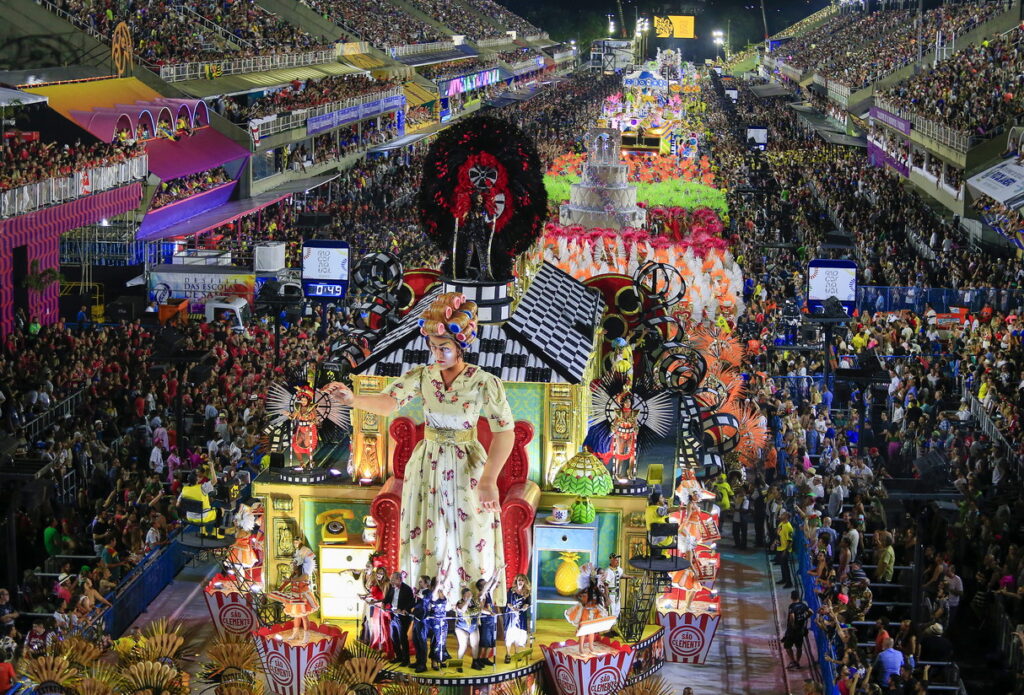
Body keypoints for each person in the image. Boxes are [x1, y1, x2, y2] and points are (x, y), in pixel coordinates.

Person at [325, 293, 514, 609]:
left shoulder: (484, 382)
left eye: (445, 348)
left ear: (461, 346)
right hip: (427, 464)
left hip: (468, 466)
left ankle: (474, 610)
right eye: (433, 348)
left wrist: (489, 479)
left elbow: (504, 432)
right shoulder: (423, 376)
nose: (437, 354)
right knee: (426, 538)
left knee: (471, 538)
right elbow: (390, 402)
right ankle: (427, 606)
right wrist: (352, 399)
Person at [279, 536, 319, 641]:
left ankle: (306, 636)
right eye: (292, 564)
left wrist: (291, 581)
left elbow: (298, 580)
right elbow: (288, 581)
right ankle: (295, 634)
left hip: (303, 598)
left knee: (304, 617)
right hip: (295, 596)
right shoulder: (294, 574)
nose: (292, 565)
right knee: (295, 616)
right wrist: (280, 589)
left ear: (299, 565)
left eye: (294, 564)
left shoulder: (304, 575)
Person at [384, 572, 415, 667]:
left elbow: (411, 602)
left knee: (403, 638)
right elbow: (387, 598)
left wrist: (404, 610)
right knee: (394, 637)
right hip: (393, 615)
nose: (391, 581)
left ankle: (406, 660)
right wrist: (383, 603)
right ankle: (399, 656)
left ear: (399, 579)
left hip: (403, 617)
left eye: (393, 579)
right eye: (391, 579)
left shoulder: (407, 589)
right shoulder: (392, 587)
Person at [565, 588, 607, 656]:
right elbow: (578, 596)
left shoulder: (595, 590)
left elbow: (599, 599)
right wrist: (583, 599)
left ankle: (591, 647)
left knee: (591, 631)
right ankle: (581, 649)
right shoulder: (585, 591)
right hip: (584, 613)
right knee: (583, 631)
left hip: (592, 613)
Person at [504, 574, 531, 663]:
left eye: (522, 580)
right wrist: (513, 608)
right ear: (516, 581)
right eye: (519, 580)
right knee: (510, 634)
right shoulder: (511, 591)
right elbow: (508, 603)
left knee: (518, 634)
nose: (521, 582)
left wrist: (525, 607)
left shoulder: (527, 593)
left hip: (521, 616)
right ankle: (508, 654)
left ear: (525, 582)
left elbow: (528, 603)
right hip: (512, 616)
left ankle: (516, 652)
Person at [453, 587, 481, 672]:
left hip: (473, 626)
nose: (469, 596)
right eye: (467, 595)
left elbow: (480, 609)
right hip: (461, 627)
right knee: (463, 646)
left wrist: (490, 613)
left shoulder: (475, 602)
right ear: (463, 596)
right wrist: (468, 600)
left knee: (475, 644)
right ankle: (459, 664)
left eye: (470, 594)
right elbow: (463, 609)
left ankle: (475, 662)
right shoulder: (459, 603)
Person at [783, 589, 811, 669]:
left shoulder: (792, 606)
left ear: (791, 597)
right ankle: (798, 662)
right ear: (798, 597)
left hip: (792, 630)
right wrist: (805, 618)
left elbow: (792, 616)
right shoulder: (803, 605)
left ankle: (793, 661)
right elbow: (811, 612)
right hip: (801, 630)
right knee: (799, 647)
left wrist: (793, 624)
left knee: (787, 646)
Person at [776, 511, 794, 588]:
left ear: (786, 517)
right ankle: (784, 579)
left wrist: (785, 551)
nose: (781, 515)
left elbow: (790, 541)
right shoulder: (781, 524)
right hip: (780, 547)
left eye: (783, 515)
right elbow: (778, 534)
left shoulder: (788, 527)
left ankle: (789, 582)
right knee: (782, 566)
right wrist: (774, 543)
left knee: (786, 567)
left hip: (784, 549)